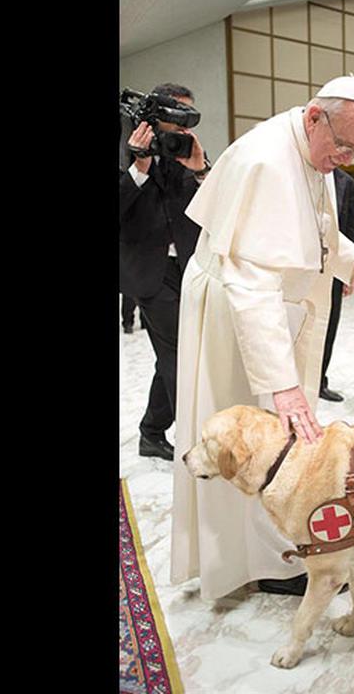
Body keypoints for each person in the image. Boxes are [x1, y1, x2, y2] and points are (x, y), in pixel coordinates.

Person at [170, 76, 354, 600]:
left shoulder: (311, 152)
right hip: (236, 317)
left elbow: (317, 232)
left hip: (267, 316)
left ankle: (269, 548)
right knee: (245, 440)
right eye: (343, 145)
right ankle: (246, 560)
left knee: (272, 437)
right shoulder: (267, 162)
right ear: (315, 117)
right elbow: (251, 284)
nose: (346, 158)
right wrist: (281, 384)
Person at [119, 82, 209, 461]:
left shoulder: (190, 150)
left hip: (189, 268)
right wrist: (138, 169)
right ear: (157, 116)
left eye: (188, 117)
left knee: (172, 354)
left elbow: (218, 203)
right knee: (181, 356)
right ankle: (194, 441)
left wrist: (202, 171)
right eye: (176, 116)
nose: (183, 126)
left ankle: (152, 432)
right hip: (148, 272)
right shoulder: (126, 147)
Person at [319, 168, 354, 402]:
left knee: (329, 325)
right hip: (299, 267)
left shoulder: (346, 182)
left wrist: (350, 273)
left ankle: (319, 381)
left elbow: (350, 228)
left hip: (334, 267)